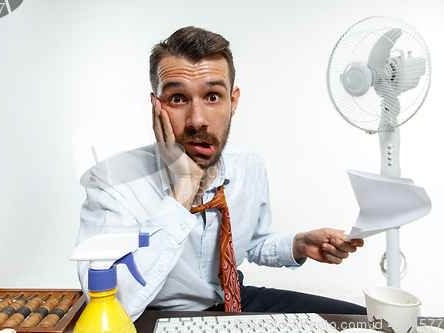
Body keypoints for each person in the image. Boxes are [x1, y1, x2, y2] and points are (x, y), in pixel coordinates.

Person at [76, 26, 366, 321]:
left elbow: (251, 241)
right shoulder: (112, 179)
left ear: (233, 101)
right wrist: (182, 192)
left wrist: (297, 245)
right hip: (152, 311)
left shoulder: (249, 165)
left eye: (212, 96)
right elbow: (112, 306)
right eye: (178, 98)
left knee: (358, 322)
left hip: (232, 299)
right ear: (156, 106)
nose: (197, 120)